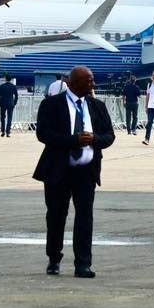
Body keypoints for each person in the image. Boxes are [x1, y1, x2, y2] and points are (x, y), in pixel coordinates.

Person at [32, 66, 116, 277]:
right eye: (89, 81)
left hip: (86, 172)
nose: (93, 84)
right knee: (56, 216)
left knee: (85, 217)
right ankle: (54, 258)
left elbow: (109, 135)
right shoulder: (51, 104)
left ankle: (83, 264)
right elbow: (43, 134)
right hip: (58, 169)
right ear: (74, 83)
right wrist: (73, 140)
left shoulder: (97, 106)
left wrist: (94, 139)